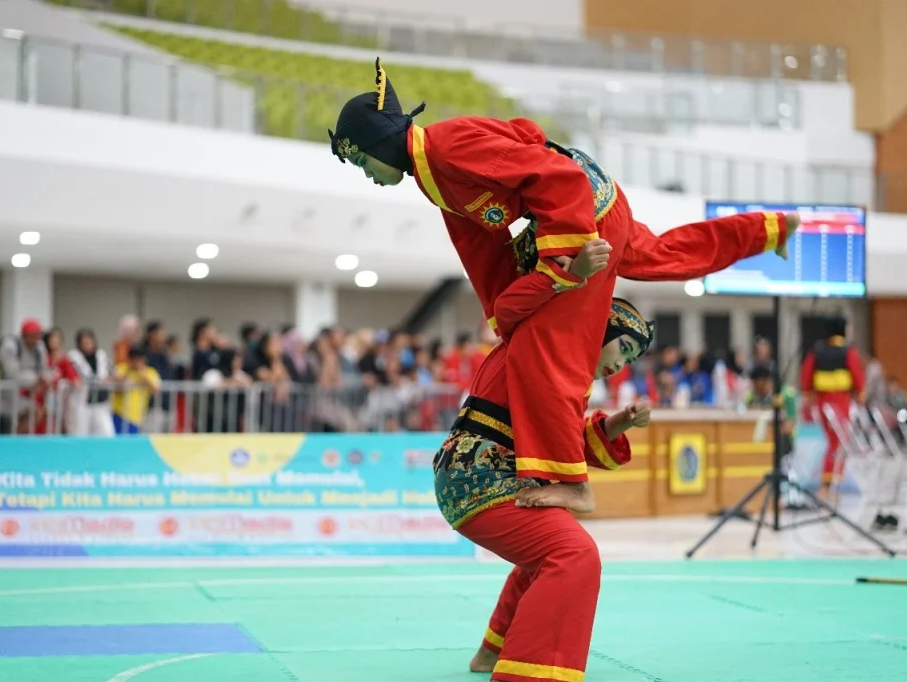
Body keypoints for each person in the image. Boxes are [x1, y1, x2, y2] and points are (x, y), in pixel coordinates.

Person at [330, 58, 798, 510]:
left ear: (380, 142)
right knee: (667, 255)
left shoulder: (448, 148)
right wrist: (503, 310)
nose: (368, 175)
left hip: (582, 212)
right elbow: (480, 246)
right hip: (600, 205)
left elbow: (558, 176)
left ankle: (572, 483)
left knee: (543, 347)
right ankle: (769, 229)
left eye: (364, 162)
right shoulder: (434, 170)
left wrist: (563, 266)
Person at [435, 292, 655, 682]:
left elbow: (561, 438)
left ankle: (492, 653)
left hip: (472, 474)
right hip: (479, 477)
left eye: (630, 359)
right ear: (598, 328)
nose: (621, 364)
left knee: (548, 549)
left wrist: (620, 421)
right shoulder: (544, 346)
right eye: (623, 348)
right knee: (573, 552)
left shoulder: (561, 364)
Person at [799, 316, 865, 487]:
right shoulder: (848, 351)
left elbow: (806, 375)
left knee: (830, 437)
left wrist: (808, 395)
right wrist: (860, 394)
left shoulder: (816, 352)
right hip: (841, 399)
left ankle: (831, 473)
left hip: (821, 400)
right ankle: (833, 474)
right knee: (839, 438)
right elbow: (857, 375)